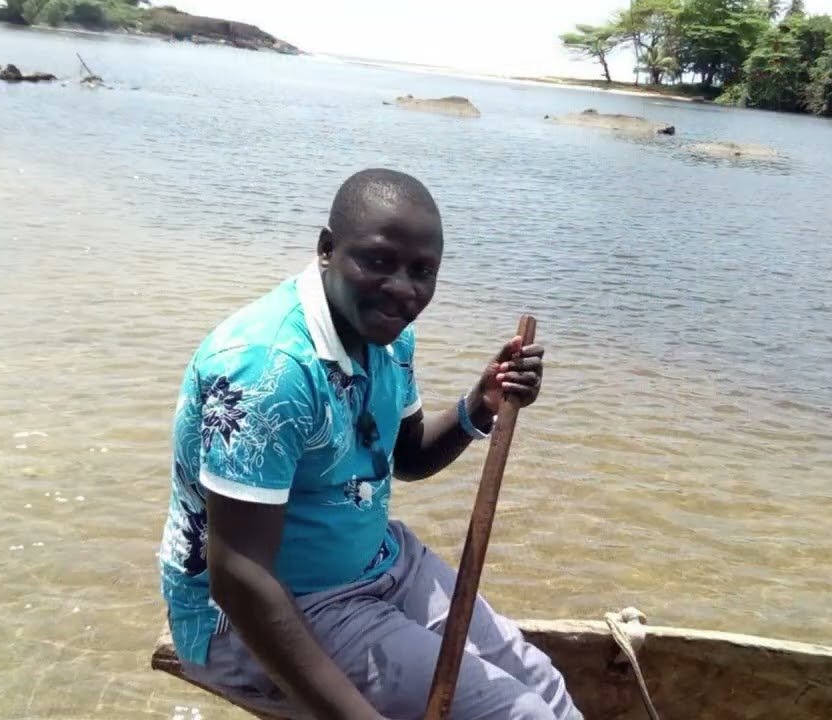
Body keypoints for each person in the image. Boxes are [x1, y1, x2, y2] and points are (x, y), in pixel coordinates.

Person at [157, 167, 580, 720]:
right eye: (378, 262)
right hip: (260, 613)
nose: (404, 289)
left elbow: (405, 456)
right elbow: (239, 577)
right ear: (327, 249)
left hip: (380, 561)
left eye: (422, 272)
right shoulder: (268, 369)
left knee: (544, 688)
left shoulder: (391, 336)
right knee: (520, 715)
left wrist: (480, 404)